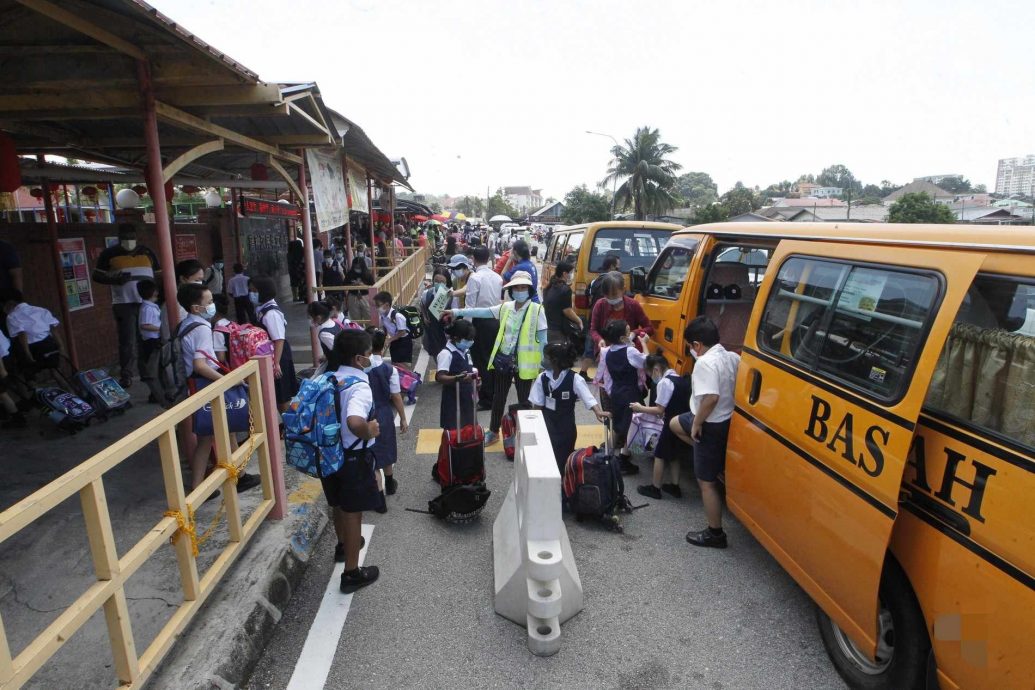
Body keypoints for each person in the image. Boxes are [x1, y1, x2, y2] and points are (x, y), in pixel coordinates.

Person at [445, 270, 546, 446]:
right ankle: (493, 431)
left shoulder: (537, 310)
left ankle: (524, 434)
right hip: (504, 360)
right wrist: (455, 311)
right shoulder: (506, 307)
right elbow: (482, 312)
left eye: (523, 287)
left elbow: (543, 340)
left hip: (525, 365)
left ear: (529, 290)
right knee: (499, 397)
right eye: (517, 287)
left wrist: (544, 365)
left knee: (524, 401)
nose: (520, 291)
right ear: (511, 290)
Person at [670, 317, 740, 549]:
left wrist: (697, 423)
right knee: (675, 424)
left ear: (697, 345)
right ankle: (710, 459)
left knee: (706, 482)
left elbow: (711, 397)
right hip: (725, 419)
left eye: (691, 347)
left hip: (709, 423)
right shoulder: (731, 357)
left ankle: (715, 533)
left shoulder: (704, 363)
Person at [323, 328, 382, 593]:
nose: (372, 358)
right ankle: (351, 573)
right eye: (369, 354)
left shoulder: (329, 378)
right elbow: (355, 421)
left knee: (337, 504)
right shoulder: (359, 387)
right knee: (352, 512)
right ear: (359, 359)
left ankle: (342, 546)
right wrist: (369, 430)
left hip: (328, 453)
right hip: (353, 457)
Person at [92, 223, 158, 388]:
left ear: (136, 237)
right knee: (127, 341)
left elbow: (159, 274)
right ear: (119, 238)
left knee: (147, 339)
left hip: (147, 302)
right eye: (125, 237)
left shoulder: (147, 252)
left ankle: (148, 373)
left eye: (131, 237)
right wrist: (115, 280)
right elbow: (97, 276)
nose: (129, 240)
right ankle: (126, 375)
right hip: (124, 303)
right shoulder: (109, 254)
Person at [529, 341, 609, 471]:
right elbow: (537, 406)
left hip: (566, 429)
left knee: (564, 462)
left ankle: (564, 481)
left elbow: (588, 398)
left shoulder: (575, 379)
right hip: (546, 427)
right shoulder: (542, 378)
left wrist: (598, 411)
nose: (543, 360)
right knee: (546, 461)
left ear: (555, 361)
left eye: (546, 357)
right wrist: (533, 426)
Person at [635, 354, 692, 499]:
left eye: (650, 374)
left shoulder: (664, 383)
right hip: (680, 422)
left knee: (659, 455)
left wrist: (640, 408)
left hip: (669, 424)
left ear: (656, 370)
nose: (651, 378)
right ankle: (675, 486)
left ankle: (655, 488)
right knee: (674, 455)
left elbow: (659, 409)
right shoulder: (680, 379)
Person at [598, 320, 649, 475]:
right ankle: (623, 458)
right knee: (632, 425)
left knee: (618, 424)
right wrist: (644, 343)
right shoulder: (630, 351)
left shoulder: (608, 351)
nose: (631, 333)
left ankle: (607, 455)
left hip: (616, 392)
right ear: (622, 338)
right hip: (630, 393)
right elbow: (647, 362)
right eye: (628, 332)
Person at [458, 246, 503, 406]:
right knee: (493, 357)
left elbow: (470, 306)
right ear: (488, 258)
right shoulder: (497, 277)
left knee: (482, 360)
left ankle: (486, 398)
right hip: (495, 321)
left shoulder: (475, 278)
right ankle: (495, 393)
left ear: (473, 259)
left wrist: (465, 328)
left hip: (480, 321)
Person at [366, 326, 406, 499]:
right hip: (384, 413)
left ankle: (377, 493)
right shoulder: (390, 370)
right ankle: (390, 482)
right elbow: (396, 396)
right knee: (386, 447)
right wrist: (403, 418)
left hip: (366, 414)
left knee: (370, 452)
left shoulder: (361, 368)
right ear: (384, 347)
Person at [253, 276, 298, 412]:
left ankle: (288, 421)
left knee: (282, 395)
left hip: (278, 354)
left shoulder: (271, 313)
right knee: (277, 393)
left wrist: (276, 363)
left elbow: (279, 339)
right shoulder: (263, 309)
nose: (251, 294)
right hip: (273, 354)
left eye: (254, 291)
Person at [589, 270, 654, 355]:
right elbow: (593, 330)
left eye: (614, 295)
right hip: (606, 352)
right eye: (607, 295)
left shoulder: (633, 305)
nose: (611, 298)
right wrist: (599, 339)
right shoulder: (600, 305)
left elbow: (649, 328)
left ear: (623, 289)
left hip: (629, 353)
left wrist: (634, 333)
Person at [2, 288, 64, 374]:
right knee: (55, 368)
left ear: (10, 303)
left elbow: (22, 334)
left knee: (23, 369)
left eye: (3, 305)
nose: (3, 309)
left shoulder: (12, 316)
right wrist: (61, 346)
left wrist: (27, 354)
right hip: (50, 345)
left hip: (33, 349)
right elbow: (53, 329)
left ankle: (30, 380)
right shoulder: (41, 310)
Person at [579, 255, 620, 380]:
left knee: (590, 348)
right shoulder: (610, 282)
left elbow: (588, 297)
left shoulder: (594, 281)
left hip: (593, 319)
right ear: (611, 267)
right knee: (607, 348)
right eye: (618, 268)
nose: (619, 271)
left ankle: (583, 372)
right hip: (605, 322)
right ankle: (605, 375)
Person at [435, 319, 477, 430]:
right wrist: (458, 378)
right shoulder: (446, 354)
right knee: (454, 432)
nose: (471, 342)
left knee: (469, 430)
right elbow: (440, 377)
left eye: (472, 339)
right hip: (452, 400)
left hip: (467, 398)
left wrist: (476, 380)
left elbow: (470, 368)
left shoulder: (466, 351)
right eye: (468, 339)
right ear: (456, 338)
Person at [136, 279, 170, 406]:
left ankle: (156, 393)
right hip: (151, 341)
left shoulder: (150, 306)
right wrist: (161, 328)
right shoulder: (147, 308)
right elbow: (145, 325)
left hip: (154, 339)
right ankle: (155, 394)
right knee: (155, 368)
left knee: (158, 368)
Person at [543, 261, 582, 347]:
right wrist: (579, 321)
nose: (572, 275)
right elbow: (567, 311)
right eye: (571, 273)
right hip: (558, 331)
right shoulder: (565, 289)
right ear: (564, 274)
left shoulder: (550, 286)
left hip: (547, 328)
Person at [373, 292, 412, 371]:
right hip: (394, 340)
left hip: (404, 342)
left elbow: (402, 332)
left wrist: (389, 340)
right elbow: (384, 327)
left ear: (387, 305)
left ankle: (410, 376)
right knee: (394, 362)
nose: (377, 308)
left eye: (378, 305)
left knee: (402, 363)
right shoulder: (383, 316)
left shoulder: (398, 316)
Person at [419, 267, 451, 360]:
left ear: (447, 282)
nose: (439, 283)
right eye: (436, 281)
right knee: (435, 355)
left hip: (446, 332)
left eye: (442, 281)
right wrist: (424, 317)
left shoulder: (451, 295)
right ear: (432, 280)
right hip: (432, 332)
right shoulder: (427, 293)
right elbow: (422, 305)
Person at [0, 329, 27, 429]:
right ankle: (6, 412)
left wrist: (2, 370)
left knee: (2, 393)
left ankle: (18, 419)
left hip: (2, 361)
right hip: (7, 356)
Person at [309, 301, 343, 368]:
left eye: (310, 317)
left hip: (337, 367)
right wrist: (327, 356)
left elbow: (340, 350)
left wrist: (329, 356)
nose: (310, 320)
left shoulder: (324, 334)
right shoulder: (334, 322)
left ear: (318, 318)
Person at [345, 257, 374, 322]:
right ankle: (358, 328)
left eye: (359, 267)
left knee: (368, 316)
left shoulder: (367, 274)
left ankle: (369, 328)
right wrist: (353, 285)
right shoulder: (349, 274)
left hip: (365, 296)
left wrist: (363, 285)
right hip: (353, 297)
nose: (357, 268)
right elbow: (344, 285)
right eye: (356, 267)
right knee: (356, 319)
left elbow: (373, 286)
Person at [287, 236, 305, 302]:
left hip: (292, 270)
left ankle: (295, 297)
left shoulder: (289, 253)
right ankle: (301, 296)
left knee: (293, 283)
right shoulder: (302, 252)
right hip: (300, 270)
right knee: (301, 283)